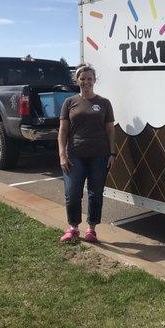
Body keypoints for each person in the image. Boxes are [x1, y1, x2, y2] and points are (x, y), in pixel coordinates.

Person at [58, 64, 115, 242]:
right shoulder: (69, 102)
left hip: (100, 155)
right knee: (72, 192)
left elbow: (110, 130)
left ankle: (91, 228)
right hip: (75, 154)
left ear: (94, 80)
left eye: (89, 78)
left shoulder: (104, 103)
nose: (86, 82)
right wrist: (62, 155)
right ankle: (73, 227)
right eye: (82, 79)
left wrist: (112, 153)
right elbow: (63, 131)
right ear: (77, 80)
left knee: (95, 192)